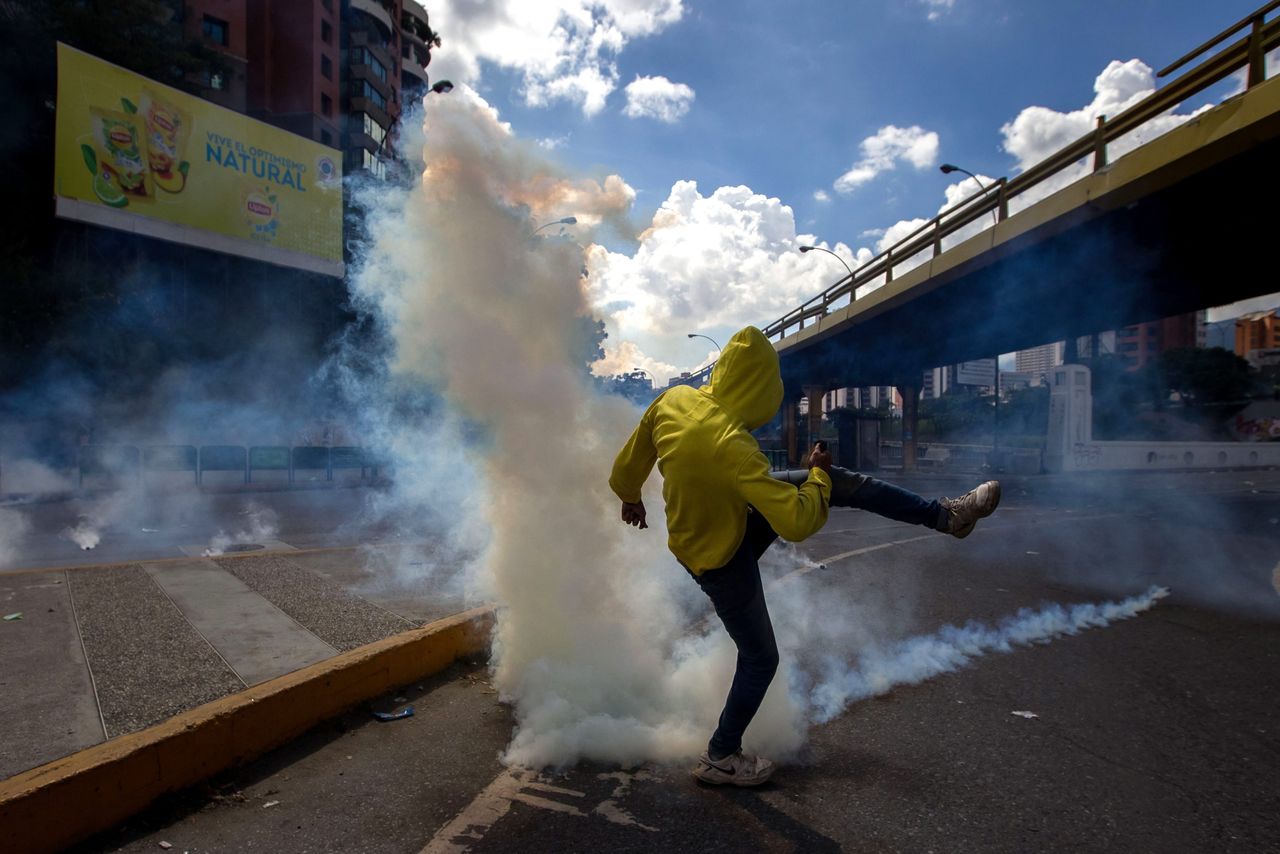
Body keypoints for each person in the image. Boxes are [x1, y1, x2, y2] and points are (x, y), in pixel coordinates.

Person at [609, 325, 1000, 787]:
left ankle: (945, 517)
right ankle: (720, 755)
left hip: (715, 524)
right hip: (721, 559)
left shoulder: (672, 401)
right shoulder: (735, 448)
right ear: (759, 388)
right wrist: (816, 476)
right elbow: (797, 523)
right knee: (760, 659)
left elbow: (628, 463)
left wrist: (630, 496)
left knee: (846, 484)